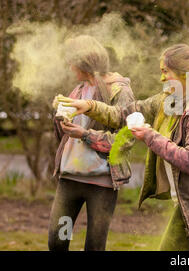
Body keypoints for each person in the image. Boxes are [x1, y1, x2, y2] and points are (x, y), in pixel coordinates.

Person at [59, 44, 189, 251]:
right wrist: (89, 107)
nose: (161, 78)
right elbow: (125, 113)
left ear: (183, 74)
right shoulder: (169, 100)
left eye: (165, 71)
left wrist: (149, 135)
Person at [48, 35, 135, 251]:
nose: (70, 67)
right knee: (58, 242)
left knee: (94, 246)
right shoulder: (78, 90)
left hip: (102, 183)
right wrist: (59, 115)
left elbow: (125, 141)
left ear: (84, 62)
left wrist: (85, 135)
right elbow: (64, 136)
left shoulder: (120, 91)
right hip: (70, 179)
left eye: (72, 62)